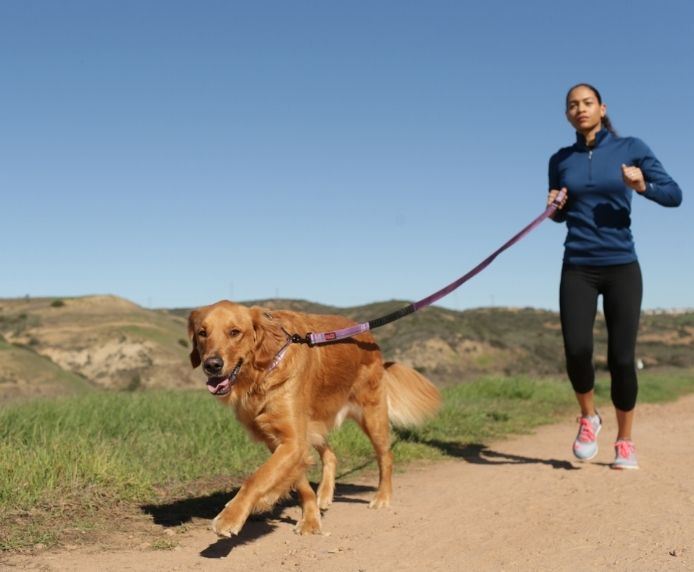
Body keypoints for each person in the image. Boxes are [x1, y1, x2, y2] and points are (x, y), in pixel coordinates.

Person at [547, 83, 682, 469]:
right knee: (576, 349)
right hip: (578, 266)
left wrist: (643, 186)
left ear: (602, 109)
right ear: (567, 114)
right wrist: (554, 207)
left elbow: (675, 194)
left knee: (621, 359)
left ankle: (625, 440)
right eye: (573, 105)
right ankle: (589, 417)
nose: (580, 109)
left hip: (622, 265)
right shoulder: (560, 159)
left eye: (587, 103)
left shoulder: (631, 148)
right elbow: (559, 212)